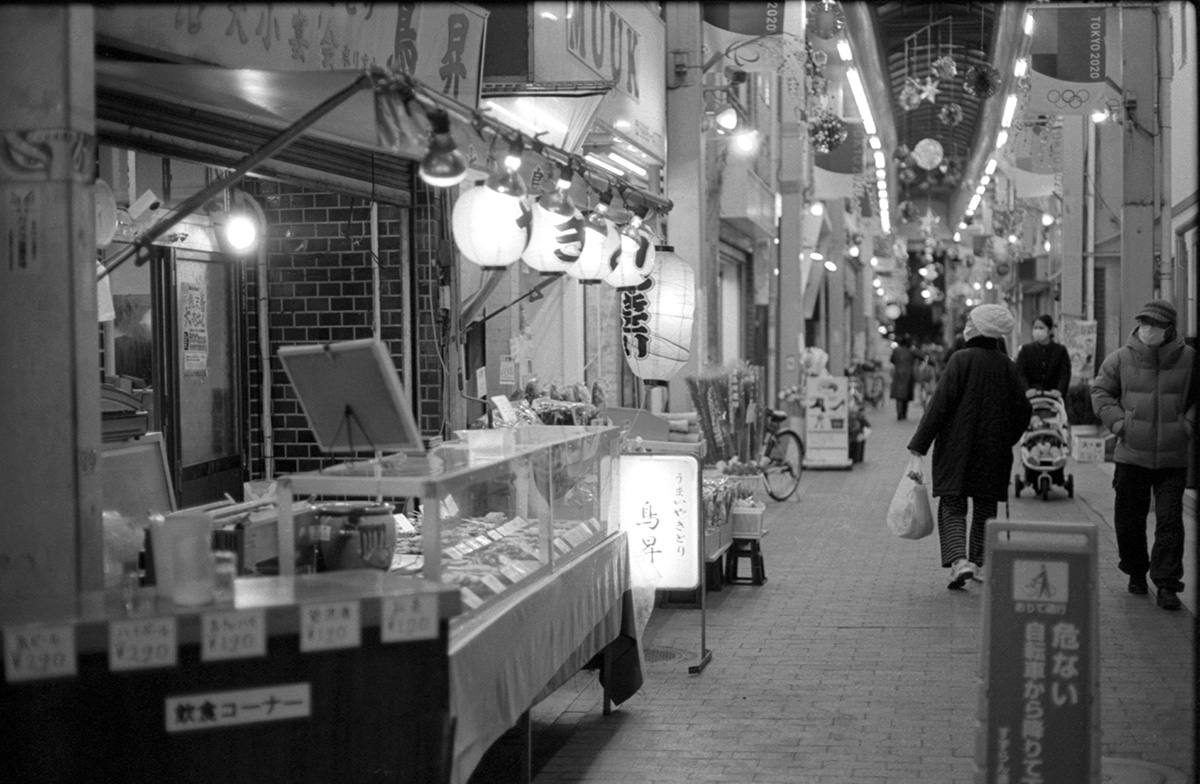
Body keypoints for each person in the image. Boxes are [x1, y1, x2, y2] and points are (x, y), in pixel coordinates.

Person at [907, 304, 1032, 589]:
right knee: (986, 507)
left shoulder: (960, 360)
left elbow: (939, 405)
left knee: (953, 503)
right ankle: (977, 564)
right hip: (994, 452)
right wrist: (1006, 438)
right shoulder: (1008, 366)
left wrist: (920, 444)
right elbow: (1023, 410)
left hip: (956, 449)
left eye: (970, 322)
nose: (967, 326)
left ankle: (959, 562)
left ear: (977, 329)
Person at [1091, 299, 1195, 611]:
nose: (1149, 329)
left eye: (1156, 324)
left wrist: (1187, 423)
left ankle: (1166, 583)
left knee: (1169, 521)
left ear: (1170, 328)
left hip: (1172, 457)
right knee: (1129, 520)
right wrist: (1119, 423)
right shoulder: (1120, 358)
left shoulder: (1189, 359)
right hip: (1131, 454)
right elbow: (1101, 392)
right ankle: (1136, 570)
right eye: (1144, 322)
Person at [1015, 314, 1071, 396]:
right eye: (1035, 328)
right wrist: (1026, 389)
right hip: (1031, 395)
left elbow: (1065, 373)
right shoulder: (1025, 350)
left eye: (1041, 328)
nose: (1038, 330)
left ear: (1050, 330)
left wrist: (1059, 390)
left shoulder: (1060, 351)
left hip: (1053, 395)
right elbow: (1020, 373)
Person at [889, 336, 918, 420]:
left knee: (898, 395)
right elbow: (922, 356)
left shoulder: (896, 350)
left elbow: (892, 360)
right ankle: (904, 414)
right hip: (908, 374)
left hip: (898, 373)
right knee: (906, 395)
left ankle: (899, 413)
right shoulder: (912, 351)